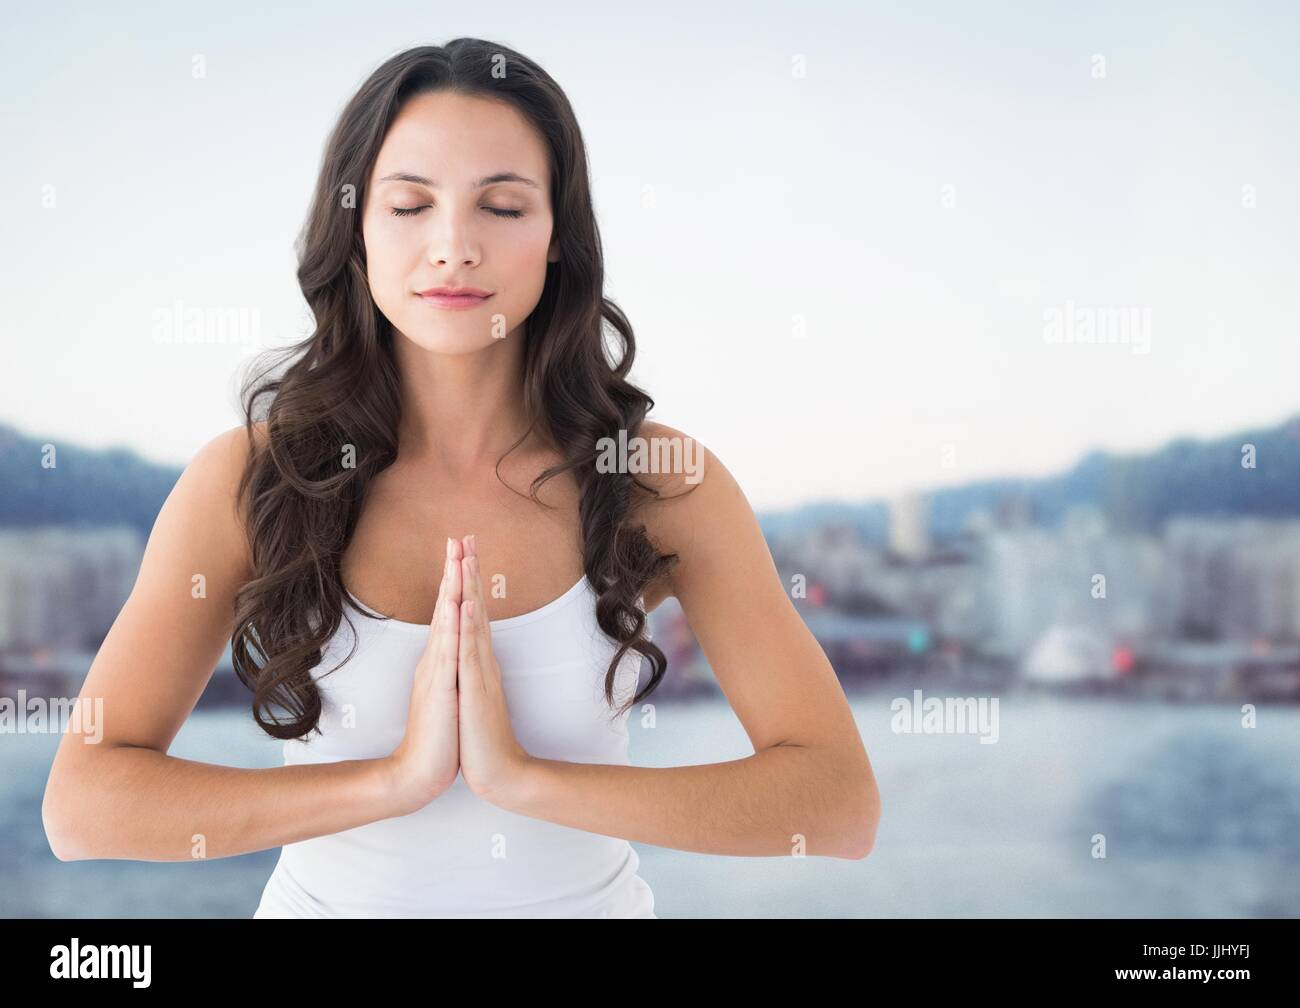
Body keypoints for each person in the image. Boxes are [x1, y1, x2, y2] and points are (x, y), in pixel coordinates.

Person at [41, 38, 881, 918]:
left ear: (559, 236)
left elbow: (837, 804)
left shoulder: (657, 481)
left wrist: (522, 781)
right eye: (409, 205)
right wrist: (393, 782)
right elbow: (85, 807)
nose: (453, 248)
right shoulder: (253, 479)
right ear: (356, 229)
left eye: (504, 207)